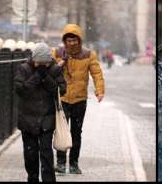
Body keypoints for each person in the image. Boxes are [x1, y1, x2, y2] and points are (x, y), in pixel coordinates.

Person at [51, 24, 105, 174]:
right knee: (61, 131)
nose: (71, 43)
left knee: (76, 132)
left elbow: (97, 73)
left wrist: (99, 91)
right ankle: (60, 163)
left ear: (79, 40)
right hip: (62, 98)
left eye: (74, 40)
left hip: (80, 99)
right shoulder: (57, 53)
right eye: (68, 40)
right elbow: (49, 70)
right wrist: (62, 61)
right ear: (64, 40)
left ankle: (74, 164)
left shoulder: (88, 54)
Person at [14, 42, 67, 182]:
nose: (43, 65)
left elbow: (61, 90)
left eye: (46, 63)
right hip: (27, 118)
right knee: (30, 155)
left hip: (47, 119)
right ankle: (32, 178)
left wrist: (46, 77)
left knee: (46, 153)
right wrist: (37, 76)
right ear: (34, 59)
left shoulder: (54, 69)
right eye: (40, 63)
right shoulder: (24, 68)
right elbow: (20, 90)